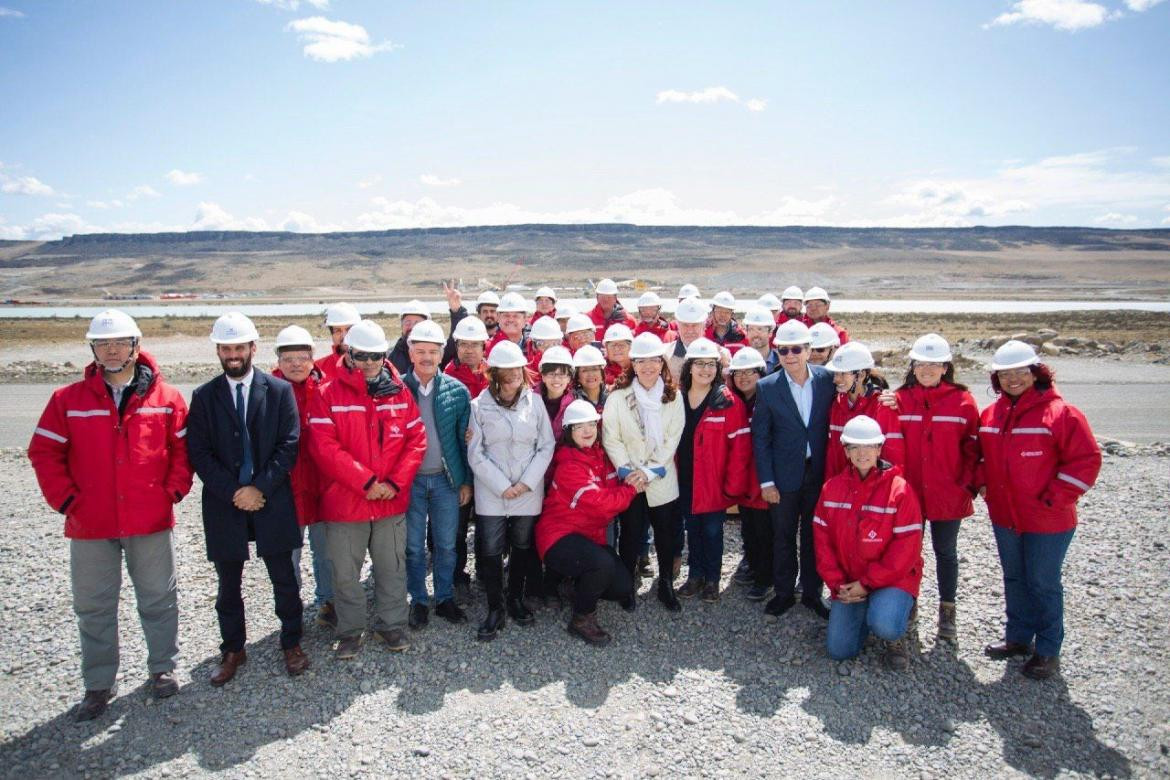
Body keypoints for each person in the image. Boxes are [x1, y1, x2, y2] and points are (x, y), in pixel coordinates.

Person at [29, 310, 193, 721]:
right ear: (93, 350)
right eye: (103, 344)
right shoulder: (67, 400)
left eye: (120, 342)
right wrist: (66, 501)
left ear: (137, 346)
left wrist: (172, 492)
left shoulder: (167, 398)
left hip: (149, 519)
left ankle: (163, 669)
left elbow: (184, 452)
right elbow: (44, 452)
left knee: (159, 597)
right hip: (90, 523)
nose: (112, 349)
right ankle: (99, 684)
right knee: (94, 605)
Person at [186, 312, 308, 684]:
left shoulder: (279, 390)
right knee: (228, 584)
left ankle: (291, 642)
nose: (233, 354)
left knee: (284, 577)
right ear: (218, 351)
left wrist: (260, 488)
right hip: (226, 504)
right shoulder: (204, 397)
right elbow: (199, 452)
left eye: (240, 347)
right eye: (226, 348)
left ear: (253, 348)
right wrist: (235, 492)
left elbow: (289, 444)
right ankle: (233, 648)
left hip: (271, 498)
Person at [977, 340, 1100, 679]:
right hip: (1005, 515)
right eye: (1005, 374)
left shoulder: (1062, 414)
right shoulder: (991, 414)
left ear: (1036, 372)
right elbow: (980, 456)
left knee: (1043, 581)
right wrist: (982, 483)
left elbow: (1086, 461)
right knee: (1015, 577)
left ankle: (1047, 650)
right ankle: (1018, 638)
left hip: (1048, 520)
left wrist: (1054, 498)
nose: (1013, 379)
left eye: (1020, 372)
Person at [308, 319, 427, 659]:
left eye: (377, 355)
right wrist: (365, 481)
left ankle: (391, 624)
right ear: (348, 353)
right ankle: (350, 630)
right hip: (347, 503)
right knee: (345, 572)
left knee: (392, 567)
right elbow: (324, 447)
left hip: (390, 501)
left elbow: (416, 440)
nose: (370, 363)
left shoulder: (400, 393)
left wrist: (393, 483)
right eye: (362, 356)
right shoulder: (328, 394)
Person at [815, 416, 924, 670]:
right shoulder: (831, 489)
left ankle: (894, 631)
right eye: (854, 447)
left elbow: (906, 550)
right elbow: (822, 543)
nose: (862, 453)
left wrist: (867, 584)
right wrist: (837, 584)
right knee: (839, 650)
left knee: (885, 624)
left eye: (869, 446)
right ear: (845, 450)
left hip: (891, 580)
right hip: (849, 580)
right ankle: (868, 613)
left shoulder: (900, 491)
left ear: (879, 448)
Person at [889, 333, 978, 643]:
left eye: (933, 364)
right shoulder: (899, 400)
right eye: (920, 364)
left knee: (946, 552)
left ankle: (947, 611)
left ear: (945, 367)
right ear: (912, 367)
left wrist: (966, 485)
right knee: (909, 552)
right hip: (909, 494)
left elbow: (973, 447)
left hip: (947, 494)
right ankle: (910, 605)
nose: (926, 370)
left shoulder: (963, 401)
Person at [467, 341, 555, 640]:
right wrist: (503, 486)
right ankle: (495, 607)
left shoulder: (536, 403)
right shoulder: (478, 406)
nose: (514, 376)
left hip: (527, 490)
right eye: (507, 371)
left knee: (521, 545)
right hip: (493, 491)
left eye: (518, 369)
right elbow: (475, 453)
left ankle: (515, 598)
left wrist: (526, 483)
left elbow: (546, 445)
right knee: (490, 549)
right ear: (494, 374)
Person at [537, 400, 640, 646]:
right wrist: (632, 490)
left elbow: (616, 485)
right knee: (602, 564)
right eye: (579, 426)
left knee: (621, 588)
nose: (587, 431)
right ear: (568, 432)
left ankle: (577, 584)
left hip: (589, 538)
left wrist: (633, 478)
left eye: (592, 424)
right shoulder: (569, 465)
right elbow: (602, 502)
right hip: (558, 537)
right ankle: (581, 618)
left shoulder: (602, 456)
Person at [751, 319, 834, 620]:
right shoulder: (768, 387)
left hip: (819, 473)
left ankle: (812, 593)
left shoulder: (827, 380)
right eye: (783, 350)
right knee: (783, 536)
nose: (790, 355)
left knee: (814, 535)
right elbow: (761, 437)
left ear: (809, 350)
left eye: (796, 349)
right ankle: (784, 593)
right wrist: (767, 481)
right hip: (783, 476)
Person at [602, 332, 685, 611]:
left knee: (665, 534)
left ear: (662, 363)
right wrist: (628, 472)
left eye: (654, 361)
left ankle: (665, 585)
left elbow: (673, 437)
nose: (648, 367)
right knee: (630, 534)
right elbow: (611, 437)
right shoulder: (618, 396)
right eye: (641, 362)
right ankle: (626, 586)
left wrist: (649, 473)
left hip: (660, 478)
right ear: (633, 365)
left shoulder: (673, 397)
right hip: (631, 480)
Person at [402, 320, 472, 629]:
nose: (427, 357)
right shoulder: (398, 388)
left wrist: (465, 480)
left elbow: (464, 441)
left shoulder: (457, 392)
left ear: (443, 353)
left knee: (446, 544)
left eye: (433, 351)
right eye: (421, 352)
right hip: (411, 482)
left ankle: (444, 598)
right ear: (410, 353)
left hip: (446, 481)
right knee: (414, 546)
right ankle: (418, 599)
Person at [674, 338, 751, 603]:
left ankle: (712, 581)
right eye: (700, 364)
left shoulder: (727, 402)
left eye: (711, 365)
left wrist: (732, 486)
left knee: (712, 532)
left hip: (714, 483)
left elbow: (740, 450)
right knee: (692, 530)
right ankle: (694, 576)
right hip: (685, 479)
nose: (705, 370)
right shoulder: (677, 398)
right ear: (689, 366)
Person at [271, 326, 335, 629]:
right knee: (288, 559)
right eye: (288, 358)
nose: (296, 364)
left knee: (326, 554)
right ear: (279, 360)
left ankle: (328, 603)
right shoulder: (267, 393)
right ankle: (291, 615)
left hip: (322, 489)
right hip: (285, 491)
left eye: (302, 357)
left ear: (312, 358)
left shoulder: (326, 390)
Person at [727, 347, 774, 602]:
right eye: (738, 373)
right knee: (749, 528)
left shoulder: (769, 400)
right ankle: (754, 566)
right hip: (743, 479)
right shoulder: (734, 403)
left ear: (761, 373)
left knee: (765, 531)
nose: (744, 378)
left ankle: (766, 578)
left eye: (750, 372)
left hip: (763, 479)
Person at [824, 342, 902, 480]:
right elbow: (833, 455)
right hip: (843, 489)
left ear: (861, 375)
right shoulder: (836, 405)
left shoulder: (882, 406)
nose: (836, 379)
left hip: (874, 490)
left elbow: (893, 456)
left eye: (843, 374)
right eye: (836, 373)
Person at [667, 297, 730, 384]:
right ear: (677, 325)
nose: (690, 330)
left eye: (695, 325)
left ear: (704, 326)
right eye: (685, 325)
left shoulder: (722, 355)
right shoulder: (665, 355)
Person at [538, 345, 576, 438]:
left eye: (562, 374)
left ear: (569, 378)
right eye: (551, 374)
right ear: (543, 377)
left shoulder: (574, 404)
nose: (556, 379)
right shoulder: (530, 401)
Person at [316, 302, 361, 380]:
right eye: (338, 330)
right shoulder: (318, 368)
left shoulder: (373, 365)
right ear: (332, 334)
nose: (344, 336)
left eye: (349, 329)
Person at [485, 292, 534, 360]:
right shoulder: (486, 348)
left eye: (515, 316)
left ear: (525, 319)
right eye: (506, 315)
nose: (511, 320)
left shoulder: (534, 347)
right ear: (498, 317)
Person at [388, 300, 430, 374]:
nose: (412, 327)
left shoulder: (437, 353)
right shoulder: (390, 355)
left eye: (417, 323)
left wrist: (455, 313)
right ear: (402, 325)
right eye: (408, 322)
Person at [742, 306, 780, 374]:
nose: (755, 334)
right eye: (751, 329)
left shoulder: (782, 360)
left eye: (760, 329)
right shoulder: (740, 360)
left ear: (770, 332)